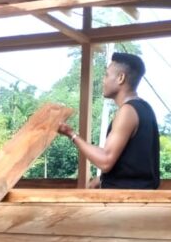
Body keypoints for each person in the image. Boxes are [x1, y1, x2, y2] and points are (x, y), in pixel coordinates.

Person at [57, 53, 160, 189]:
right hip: (139, 195)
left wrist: (71, 134)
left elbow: (105, 161)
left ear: (121, 78)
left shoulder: (128, 111)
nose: (103, 80)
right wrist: (102, 179)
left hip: (125, 199)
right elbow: (133, 165)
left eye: (106, 75)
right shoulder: (145, 108)